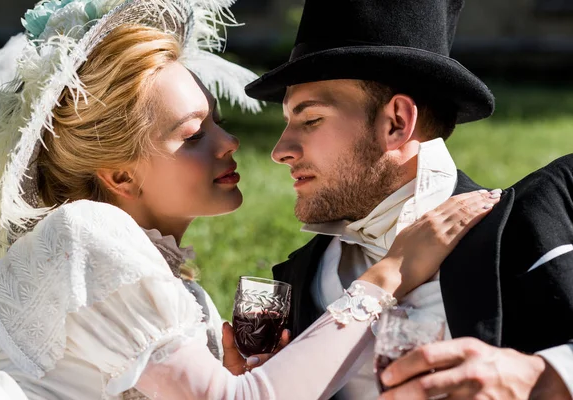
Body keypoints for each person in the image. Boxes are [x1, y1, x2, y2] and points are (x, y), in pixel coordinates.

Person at [0, 0, 500, 399]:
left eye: (217, 123)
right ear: (120, 175)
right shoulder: (86, 231)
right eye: (194, 133)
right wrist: (390, 273)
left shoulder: (188, 300)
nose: (231, 143)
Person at [244, 0, 573, 399]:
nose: (280, 151)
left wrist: (541, 375)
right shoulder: (296, 280)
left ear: (397, 122)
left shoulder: (531, 226)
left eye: (310, 119)